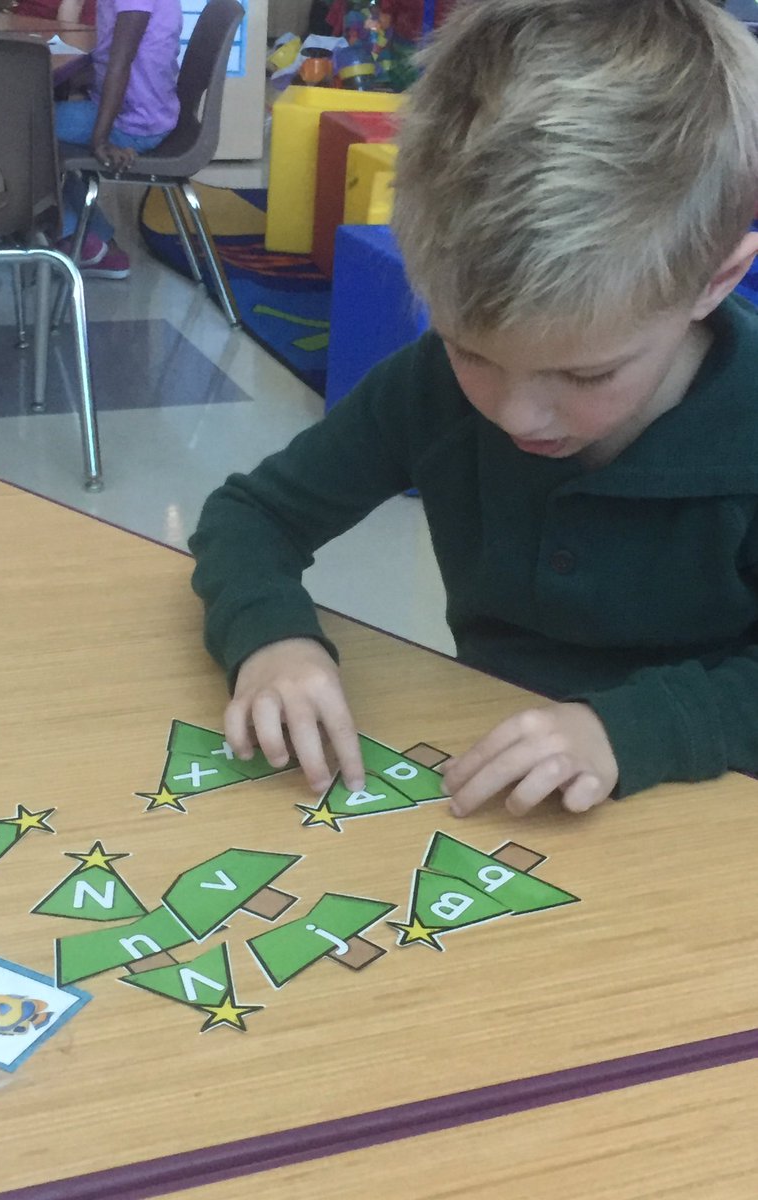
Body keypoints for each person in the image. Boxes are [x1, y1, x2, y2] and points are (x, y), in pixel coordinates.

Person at [189, 0, 758, 820]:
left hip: (710, 806)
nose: (519, 414)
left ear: (716, 280)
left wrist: (627, 730)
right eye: (472, 351)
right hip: (503, 790)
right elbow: (250, 517)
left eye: (587, 375)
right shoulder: (426, 389)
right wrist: (273, 639)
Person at [54, 0, 182, 278]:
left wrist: (100, 140)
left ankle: (76, 238)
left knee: (29, 126)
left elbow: (121, 63)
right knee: (37, 112)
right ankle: (96, 241)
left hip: (132, 124)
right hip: (146, 114)